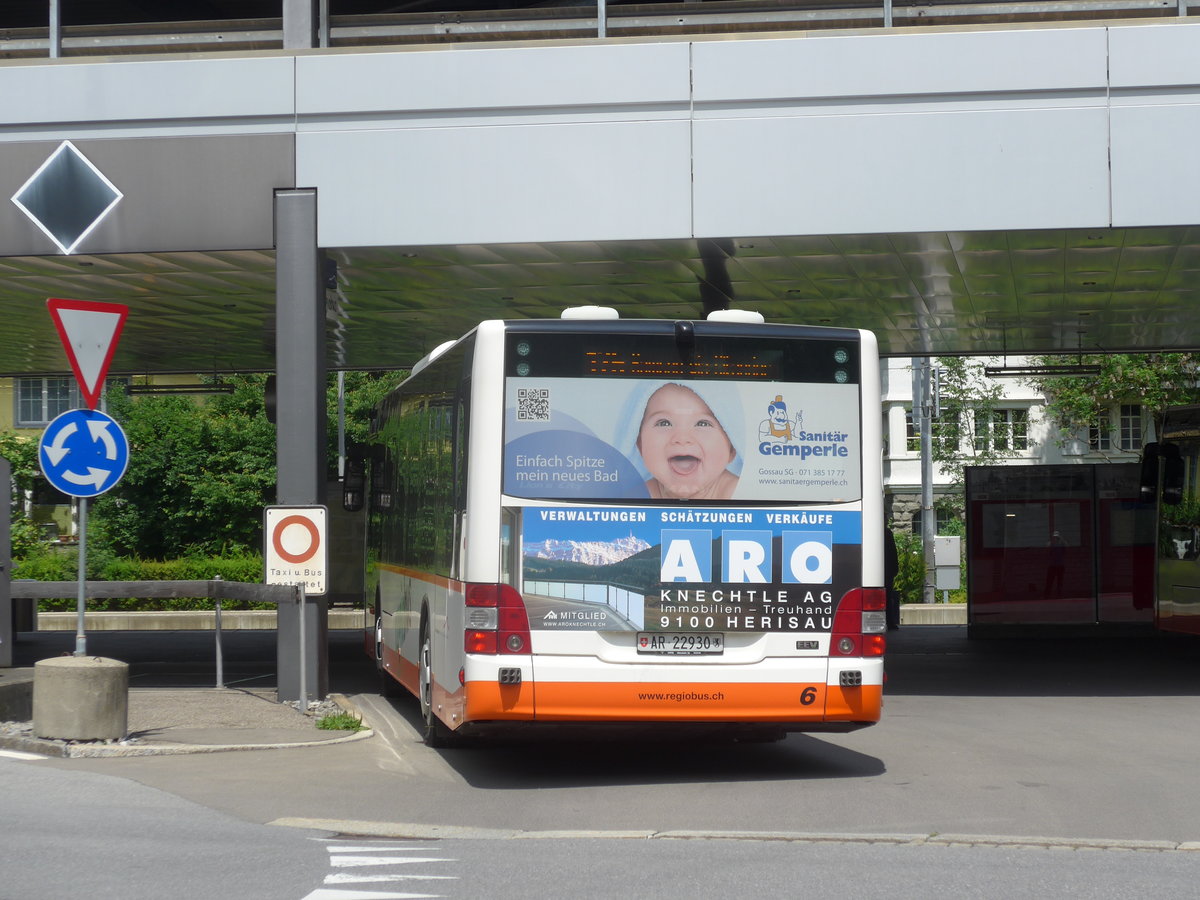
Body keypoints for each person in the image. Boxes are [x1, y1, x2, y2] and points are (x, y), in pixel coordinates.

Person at [636, 383, 739, 500]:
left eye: (702, 423)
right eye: (664, 423)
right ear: (640, 445)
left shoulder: (738, 493)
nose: (682, 439)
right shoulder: (638, 496)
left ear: (732, 449)